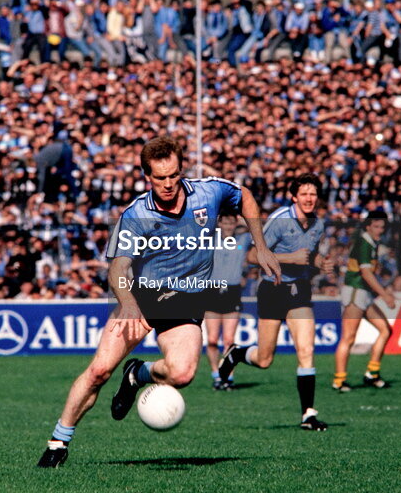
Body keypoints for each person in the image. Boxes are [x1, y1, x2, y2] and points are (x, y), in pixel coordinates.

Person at [36, 136, 281, 467]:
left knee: (182, 375)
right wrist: (126, 300)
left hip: (186, 302)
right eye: (159, 178)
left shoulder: (209, 192)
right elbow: (118, 266)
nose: (168, 184)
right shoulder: (136, 214)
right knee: (98, 371)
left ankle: (138, 373)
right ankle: (58, 442)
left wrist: (261, 245)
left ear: (182, 170)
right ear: (146, 176)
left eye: (174, 175)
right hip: (141, 298)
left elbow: (246, 197)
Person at [218, 174, 333, 431]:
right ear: (294, 197)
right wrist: (291, 258)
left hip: (299, 290)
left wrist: (319, 263)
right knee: (264, 360)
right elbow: (251, 255)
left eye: (313, 194)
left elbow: (309, 256)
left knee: (306, 351)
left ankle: (308, 414)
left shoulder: (318, 225)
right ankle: (237, 353)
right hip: (273, 289)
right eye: (304, 194)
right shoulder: (280, 220)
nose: (309, 198)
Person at [333, 210, 395, 392]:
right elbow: (366, 274)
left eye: (382, 227)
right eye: (376, 226)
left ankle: (372, 373)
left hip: (364, 293)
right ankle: (339, 380)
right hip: (355, 292)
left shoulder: (371, 243)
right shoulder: (364, 243)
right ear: (368, 226)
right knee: (349, 337)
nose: (380, 230)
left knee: (385, 330)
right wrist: (385, 295)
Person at [203, 214, 251, 390]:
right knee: (213, 340)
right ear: (219, 222)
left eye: (232, 222)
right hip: (212, 290)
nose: (229, 225)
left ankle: (227, 375)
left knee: (229, 340)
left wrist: (241, 218)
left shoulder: (242, 239)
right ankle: (216, 375)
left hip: (232, 292)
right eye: (225, 221)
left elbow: (257, 227)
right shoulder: (210, 239)